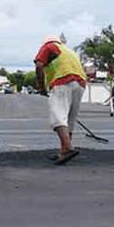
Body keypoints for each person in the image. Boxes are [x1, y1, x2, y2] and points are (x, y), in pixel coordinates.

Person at [34, 34, 87, 165]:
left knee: (58, 117)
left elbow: (39, 66)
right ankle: (63, 150)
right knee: (69, 119)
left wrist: (41, 87)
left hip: (63, 82)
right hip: (80, 84)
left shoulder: (48, 46)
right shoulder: (70, 51)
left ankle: (67, 148)